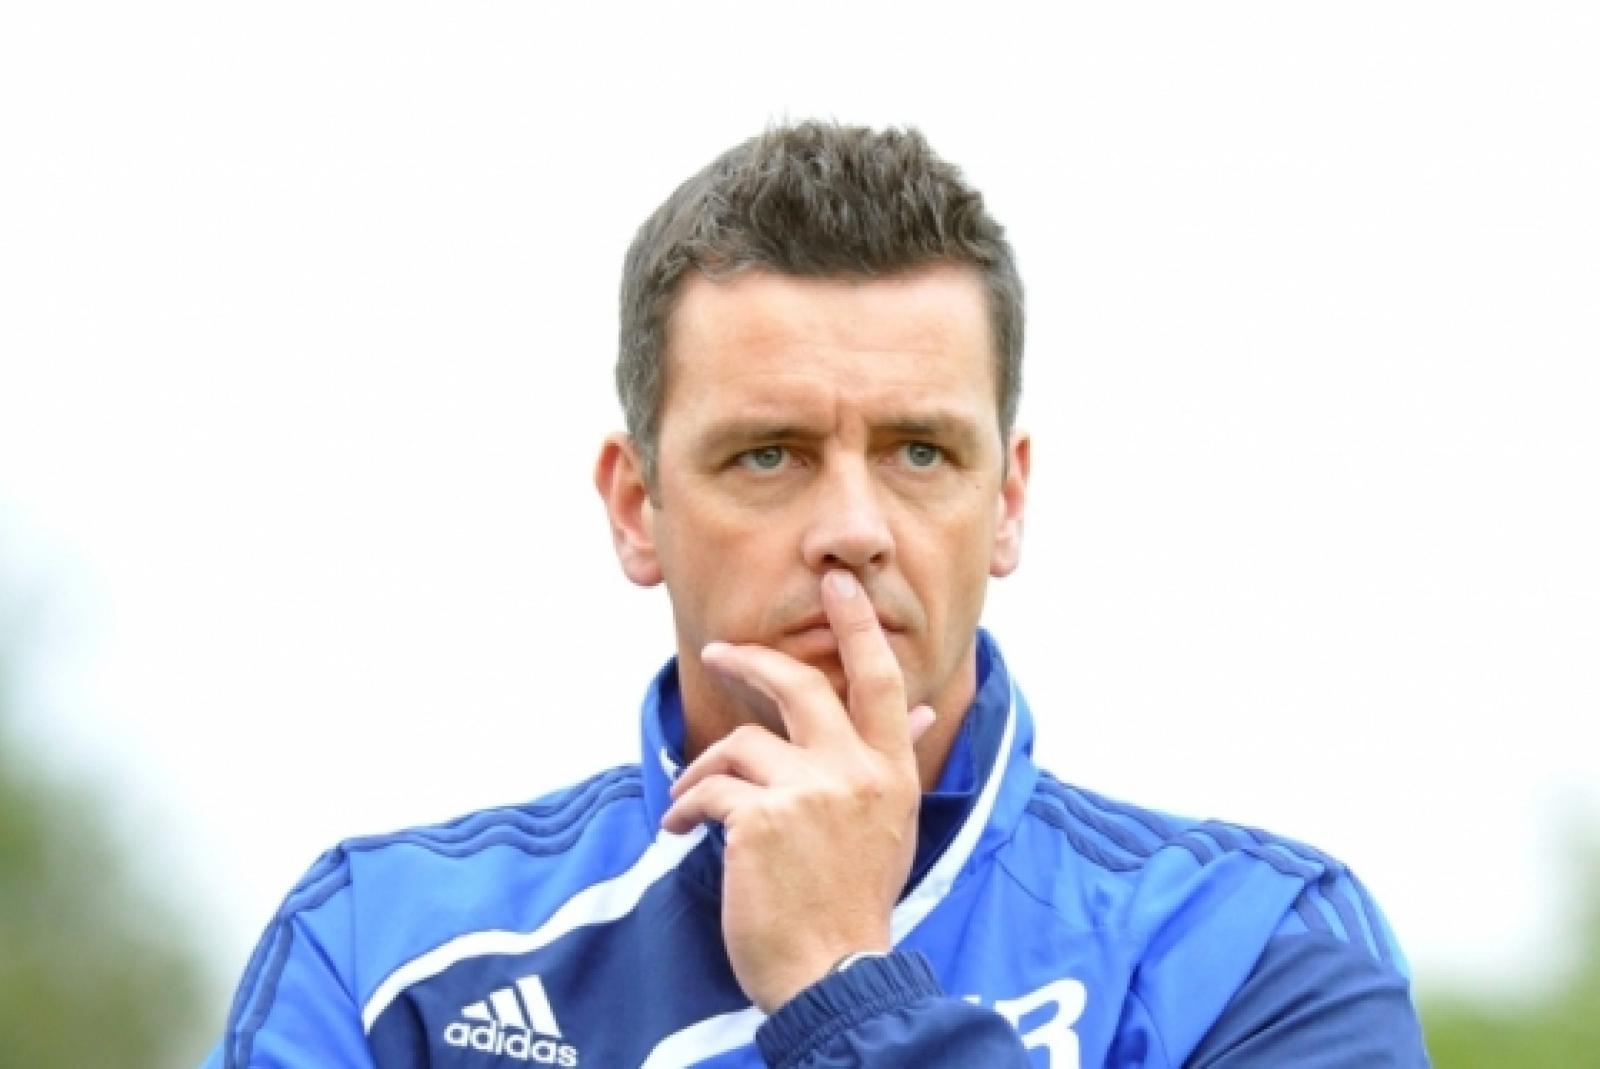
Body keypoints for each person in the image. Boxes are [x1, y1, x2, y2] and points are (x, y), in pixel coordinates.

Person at [206, 122, 1431, 1067]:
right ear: (636, 506)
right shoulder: (386, 947)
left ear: (1006, 501)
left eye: (919, 451)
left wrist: (843, 979)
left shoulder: (1253, 946)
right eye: (768, 454)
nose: (852, 529)